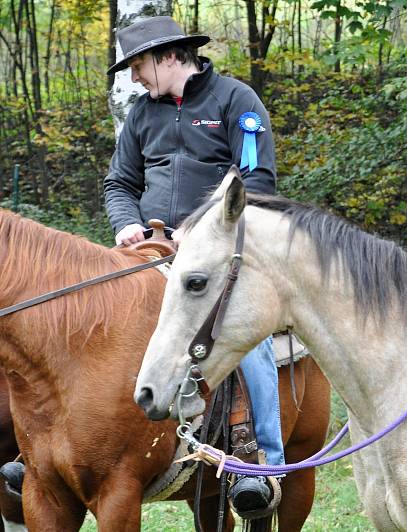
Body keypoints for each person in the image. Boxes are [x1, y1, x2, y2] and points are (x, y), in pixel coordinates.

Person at [104, 15, 282, 519]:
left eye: (139, 66)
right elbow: (119, 183)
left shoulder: (235, 101)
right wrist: (125, 226)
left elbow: (257, 180)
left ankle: (262, 460)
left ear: (168, 56)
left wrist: (202, 228)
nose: (136, 77)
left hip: (223, 251)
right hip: (149, 249)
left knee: (253, 337)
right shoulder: (141, 115)